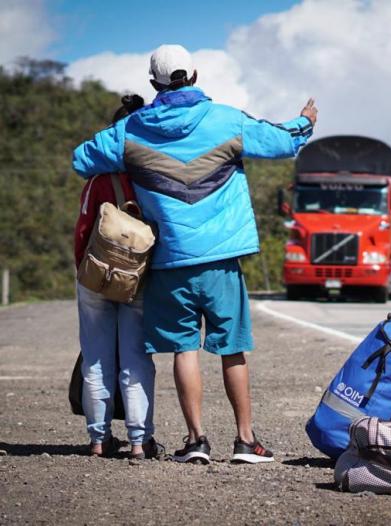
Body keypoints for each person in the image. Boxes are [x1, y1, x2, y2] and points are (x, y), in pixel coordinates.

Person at [72, 44, 318, 464]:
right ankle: (245, 441)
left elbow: (82, 159)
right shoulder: (226, 120)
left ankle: (196, 441)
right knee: (232, 349)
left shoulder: (132, 130)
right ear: (196, 75)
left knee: (184, 350)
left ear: (154, 84)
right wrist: (305, 122)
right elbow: (281, 140)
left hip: (169, 261)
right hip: (222, 260)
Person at [74, 94, 164, 460]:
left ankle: (98, 439)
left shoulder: (98, 179)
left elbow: (82, 229)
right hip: (138, 279)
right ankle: (140, 441)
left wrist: (85, 270)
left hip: (95, 276)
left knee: (96, 357)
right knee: (136, 360)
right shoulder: (154, 176)